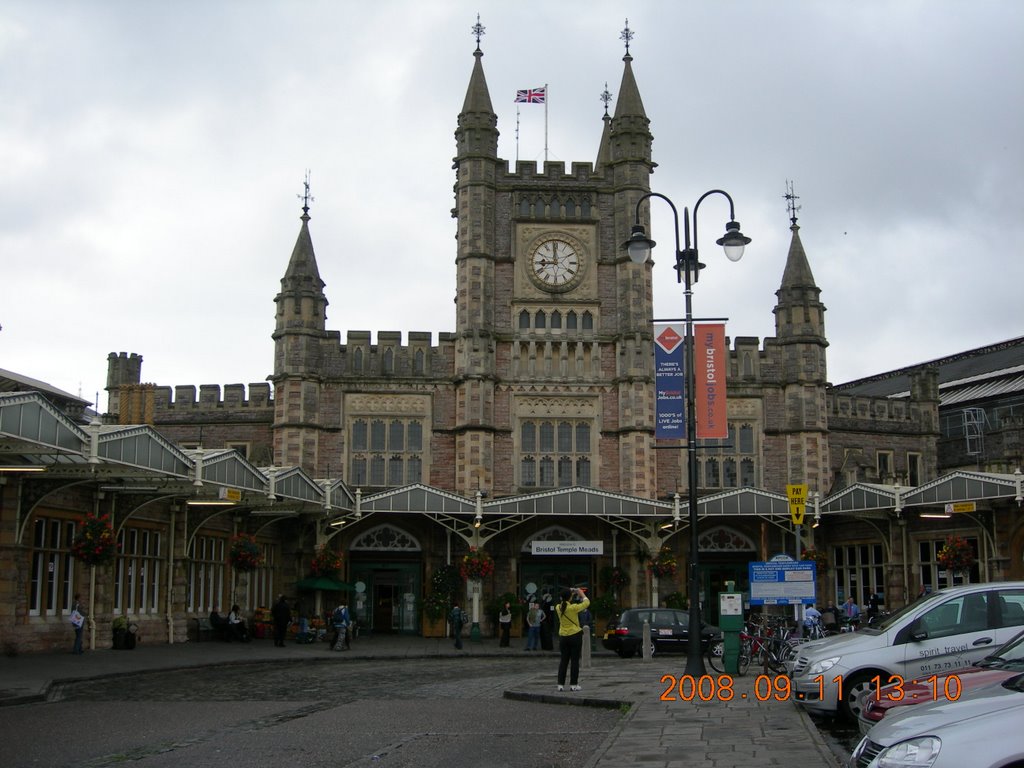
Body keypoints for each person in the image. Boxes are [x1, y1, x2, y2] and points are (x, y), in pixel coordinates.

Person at [555, 587, 590, 692]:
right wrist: (580, 594)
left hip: (563, 637)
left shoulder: (558, 607)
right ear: (570, 597)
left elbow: (564, 601)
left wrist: (570, 592)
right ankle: (573, 685)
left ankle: (560, 685)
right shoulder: (573, 607)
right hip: (575, 636)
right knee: (574, 661)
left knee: (563, 660)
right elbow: (587, 602)